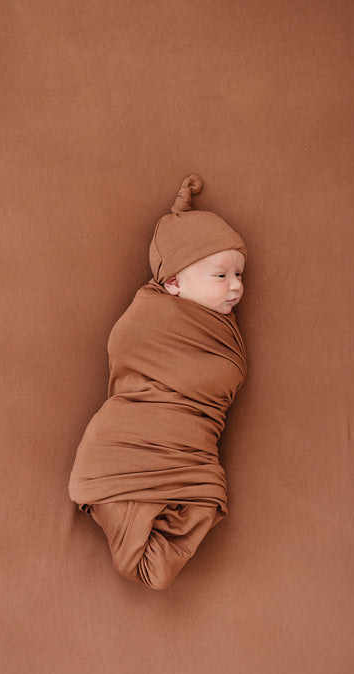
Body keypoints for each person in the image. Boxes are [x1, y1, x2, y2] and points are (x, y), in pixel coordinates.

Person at [68, 174, 247, 589]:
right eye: (221, 276)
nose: (236, 286)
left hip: (189, 446)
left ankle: (146, 522)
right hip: (125, 442)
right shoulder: (151, 315)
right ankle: (132, 519)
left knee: (207, 500)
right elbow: (127, 348)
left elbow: (222, 379)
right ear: (173, 283)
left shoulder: (222, 332)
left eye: (240, 274)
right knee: (152, 555)